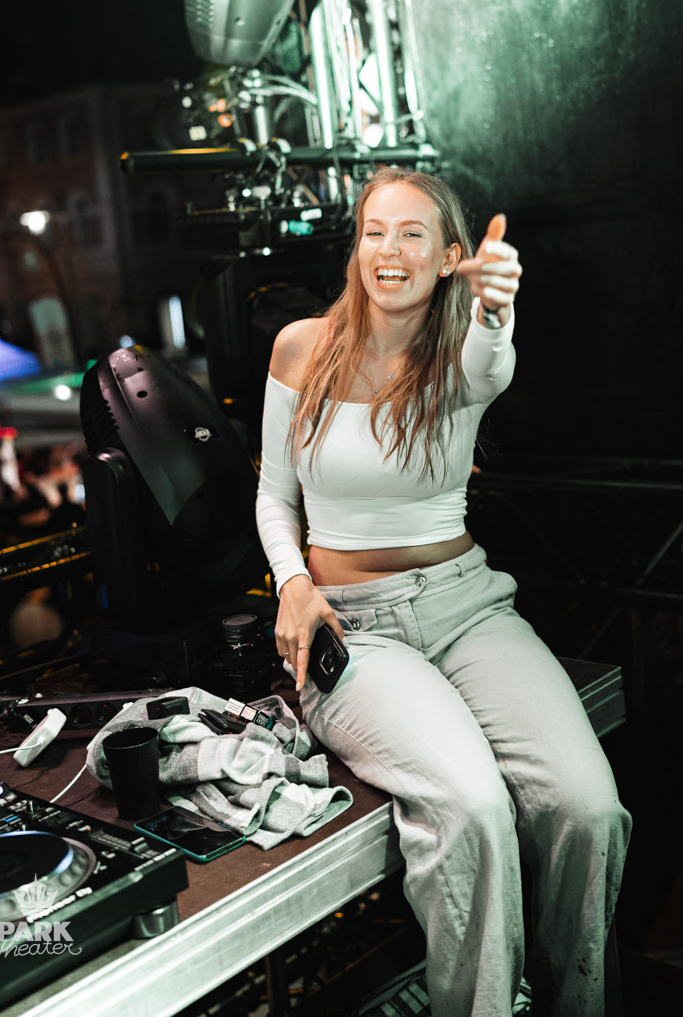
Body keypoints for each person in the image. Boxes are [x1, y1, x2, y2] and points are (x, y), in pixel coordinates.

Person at [256, 166, 631, 1017]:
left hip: (467, 608)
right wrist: (292, 583)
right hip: (355, 627)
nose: (388, 250)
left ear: (450, 256)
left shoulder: (464, 356)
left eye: (412, 233)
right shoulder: (301, 347)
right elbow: (274, 494)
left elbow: (489, 353)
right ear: (356, 247)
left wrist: (495, 306)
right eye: (374, 232)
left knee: (588, 809)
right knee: (471, 808)